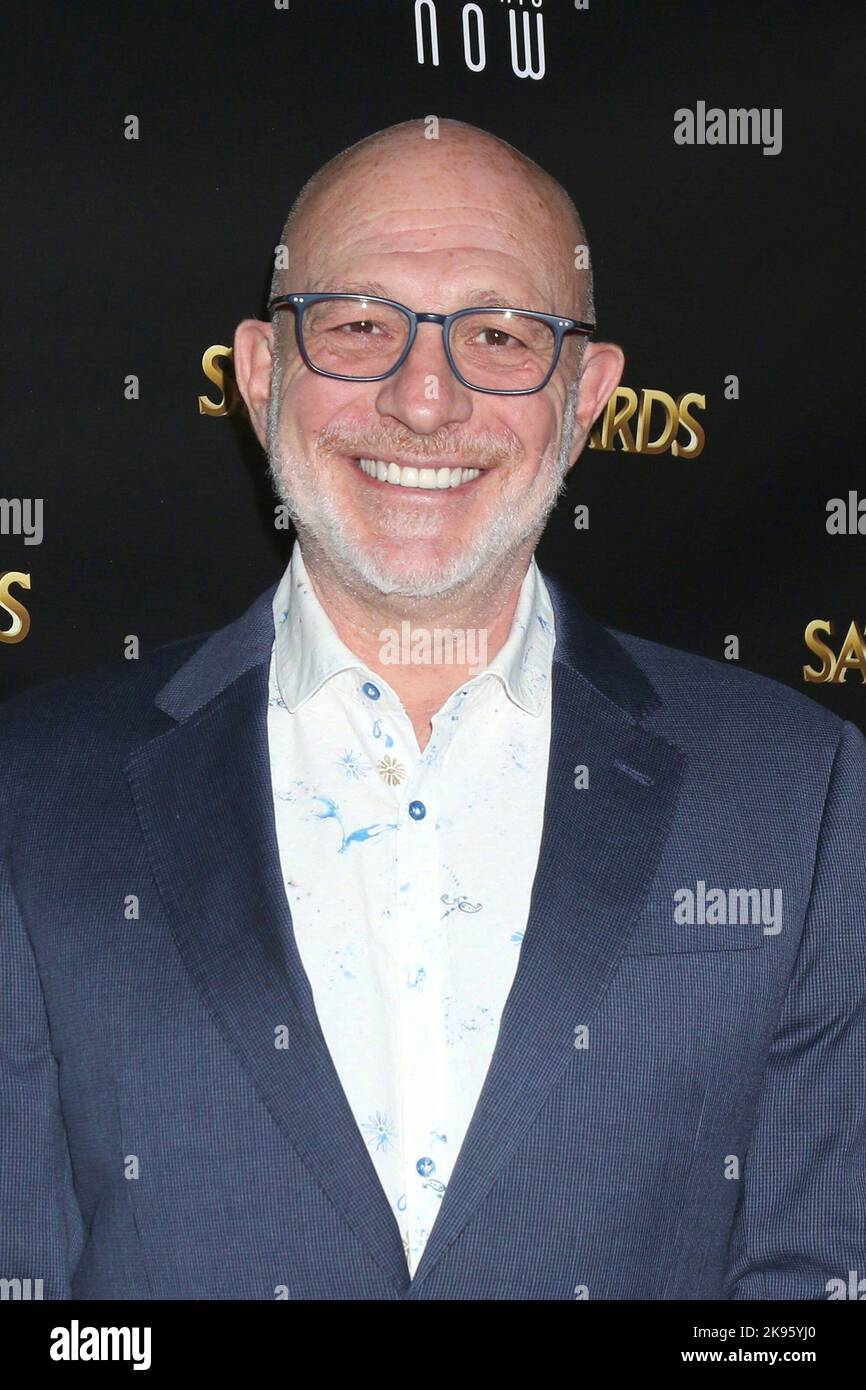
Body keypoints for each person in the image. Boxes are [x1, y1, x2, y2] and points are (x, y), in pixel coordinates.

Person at [1, 118, 863, 1301]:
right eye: (359, 325)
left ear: (587, 395)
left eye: (499, 336)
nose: (422, 397)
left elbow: (812, 1287)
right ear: (261, 376)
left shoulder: (800, 793)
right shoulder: (31, 793)